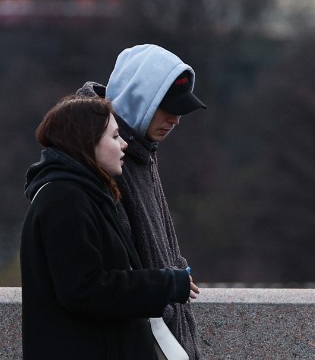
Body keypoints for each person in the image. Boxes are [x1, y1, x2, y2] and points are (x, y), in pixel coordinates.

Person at [21, 95, 199, 360]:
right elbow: (85, 289)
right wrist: (165, 284)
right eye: (115, 137)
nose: (124, 144)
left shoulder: (80, 193)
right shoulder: (64, 198)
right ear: (87, 141)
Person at [77, 44, 207, 359]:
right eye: (167, 108)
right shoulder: (104, 160)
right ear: (139, 98)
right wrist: (166, 284)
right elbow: (102, 277)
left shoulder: (141, 150)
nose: (175, 120)